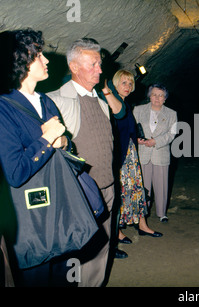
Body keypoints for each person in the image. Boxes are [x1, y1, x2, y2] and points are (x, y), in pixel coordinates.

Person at [47, 38, 125, 287]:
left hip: (108, 187)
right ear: (74, 66)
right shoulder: (56, 101)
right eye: (93, 64)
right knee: (74, 254)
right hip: (79, 194)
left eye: (100, 64)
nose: (100, 70)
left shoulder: (102, 102)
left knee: (100, 252)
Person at [0, 29, 71, 286]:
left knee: (62, 278)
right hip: (29, 218)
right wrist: (46, 139)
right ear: (20, 61)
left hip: (58, 210)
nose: (47, 60)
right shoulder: (3, 107)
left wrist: (63, 141)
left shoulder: (46, 101)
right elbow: (15, 172)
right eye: (38, 55)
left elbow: (65, 146)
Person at [102, 70, 162, 247]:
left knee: (136, 189)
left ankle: (142, 225)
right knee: (120, 192)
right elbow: (114, 122)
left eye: (130, 83)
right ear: (114, 84)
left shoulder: (126, 104)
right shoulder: (112, 102)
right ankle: (117, 231)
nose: (127, 87)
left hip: (130, 153)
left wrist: (137, 139)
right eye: (123, 83)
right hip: (119, 156)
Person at [133, 84, 177, 223]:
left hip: (161, 152)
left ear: (165, 98)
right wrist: (136, 139)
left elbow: (172, 133)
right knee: (143, 185)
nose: (157, 98)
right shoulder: (138, 110)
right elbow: (132, 128)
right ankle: (143, 212)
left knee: (161, 185)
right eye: (154, 94)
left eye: (161, 95)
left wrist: (156, 141)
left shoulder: (171, 113)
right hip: (143, 152)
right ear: (149, 96)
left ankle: (162, 213)